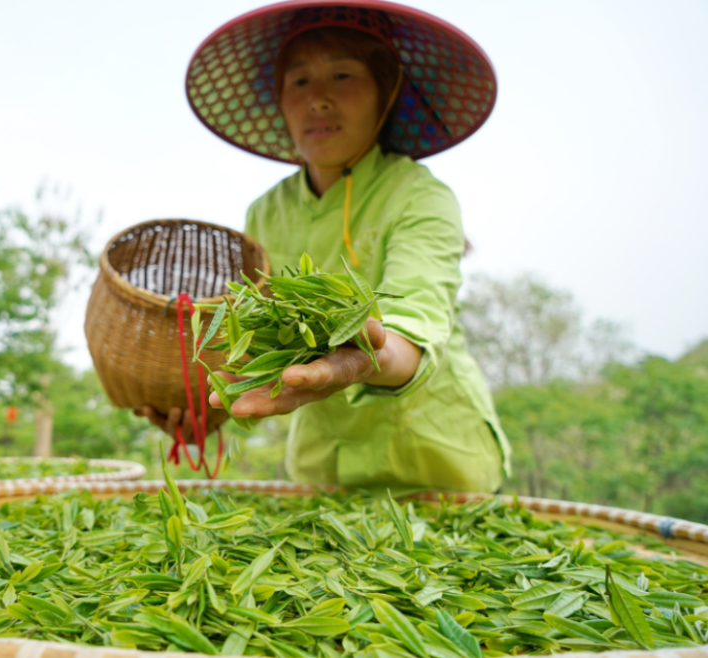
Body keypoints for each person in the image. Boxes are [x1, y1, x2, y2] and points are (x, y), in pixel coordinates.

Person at [140, 1, 511, 494]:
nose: (318, 99)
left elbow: (415, 329)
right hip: (323, 467)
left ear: (386, 92)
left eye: (342, 75)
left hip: (434, 459)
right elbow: (260, 336)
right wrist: (216, 405)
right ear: (279, 99)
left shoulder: (420, 196)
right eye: (299, 81)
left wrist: (364, 355)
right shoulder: (265, 213)